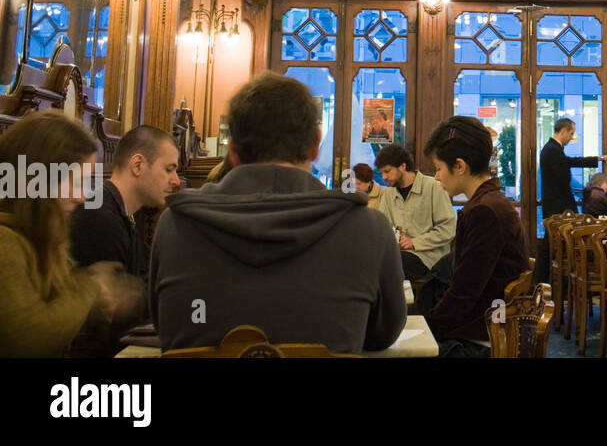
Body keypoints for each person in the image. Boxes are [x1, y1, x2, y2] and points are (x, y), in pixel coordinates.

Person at [150, 72, 405, 353]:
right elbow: (382, 335)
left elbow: (165, 326)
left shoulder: (174, 226)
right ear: (315, 145)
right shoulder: (369, 229)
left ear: (232, 152)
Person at [0, 111, 138, 357]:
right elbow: (27, 339)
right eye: (75, 183)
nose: (82, 197)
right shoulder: (5, 241)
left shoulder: (42, 237)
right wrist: (91, 288)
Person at [420, 116, 528, 358]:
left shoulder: (484, 211)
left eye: (438, 168)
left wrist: (424, 329)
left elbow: (464, 295)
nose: (436, 177)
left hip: (483, 339)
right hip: (483, 326)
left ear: (459, 166)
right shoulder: (489, 201)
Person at [70, 124, 181, 277]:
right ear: (137, 165)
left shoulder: (122, 212)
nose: (176, 181)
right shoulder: (100, 220)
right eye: (169, 169)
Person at [538, 118, 607, 277]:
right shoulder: (552, 150)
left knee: (551, 248)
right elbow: (561, 183)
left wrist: (599, 158)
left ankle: (547, 282)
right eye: (571, 133)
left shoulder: (552, 149)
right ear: (563, 131)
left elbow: (570, 162)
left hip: (556, 208)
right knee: (553, 249)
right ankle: (547, 283)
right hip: (558, 209)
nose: (572, 137)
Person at [374, 143, 456, 283]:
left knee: (387, 265)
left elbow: (448, 229)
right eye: (382, 172)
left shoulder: (433, 187)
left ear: (403, 166)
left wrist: (414, 242)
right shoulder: (388, 194)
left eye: (387, 171)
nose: (384, 177)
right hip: (398, 254)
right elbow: (383, 228)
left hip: (429, 257)